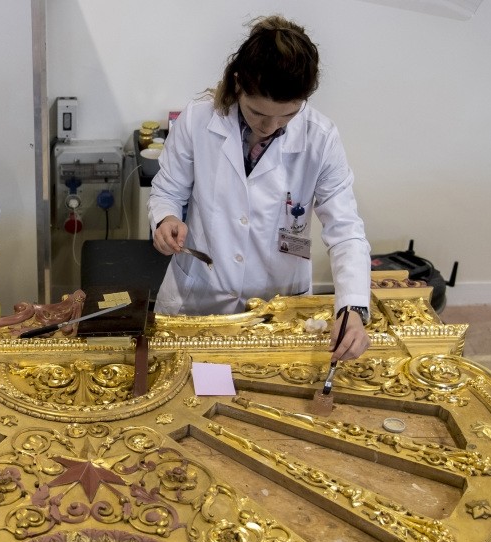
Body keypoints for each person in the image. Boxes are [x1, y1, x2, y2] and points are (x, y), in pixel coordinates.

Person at [149, 15, 371, 361]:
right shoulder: (198, 120)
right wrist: (165, 219)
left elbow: (345, 230)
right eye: (258, 113)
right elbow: (168, 190)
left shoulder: (321, 138)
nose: (271, 126)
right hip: (200, 299)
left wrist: (352, 307)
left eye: (287, 116)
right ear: (238, 84)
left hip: (279, 306)